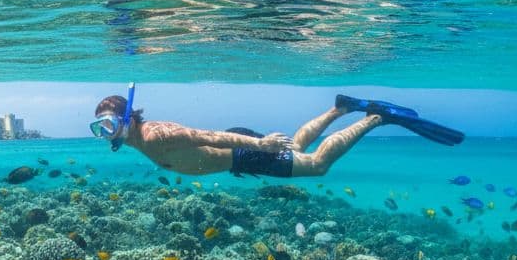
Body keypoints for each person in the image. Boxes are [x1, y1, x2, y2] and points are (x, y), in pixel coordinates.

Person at [90, 84, 463, 178]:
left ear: (127, 119)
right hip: (239, 157)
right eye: (98, 128)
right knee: (298, 144)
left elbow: (210, 137)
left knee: (316, 164)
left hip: (241, 151)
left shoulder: (155, 134)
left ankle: (376, 118)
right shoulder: (135, 138)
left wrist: (260, 144)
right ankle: (340, 107)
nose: (105, 133)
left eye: (108, 125)